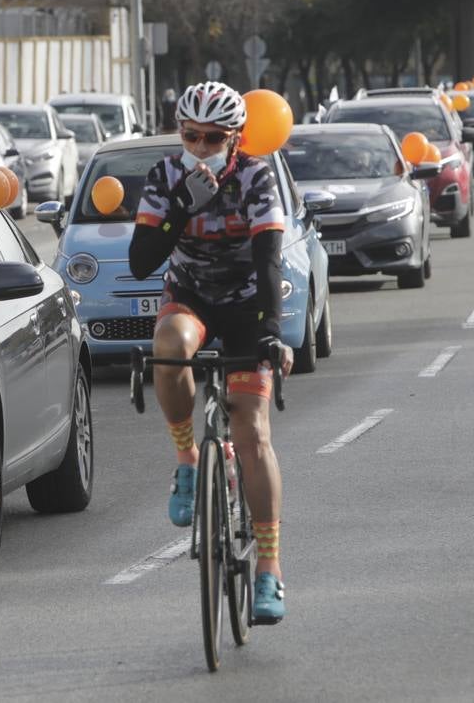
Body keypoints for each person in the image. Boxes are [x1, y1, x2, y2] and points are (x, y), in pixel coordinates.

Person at [128, 80, 294, 624]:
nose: (200, 147)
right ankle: (187, 462)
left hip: (247, 304)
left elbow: (270, 256)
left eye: (212, 138)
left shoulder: (255, 175)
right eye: (190, 135)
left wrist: (273, 329)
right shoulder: (165, 177)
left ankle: (268, 570)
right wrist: (180, 207)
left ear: (236, 137)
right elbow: (140, 262)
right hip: (192, 296)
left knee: (252, 434)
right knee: (168, 347)